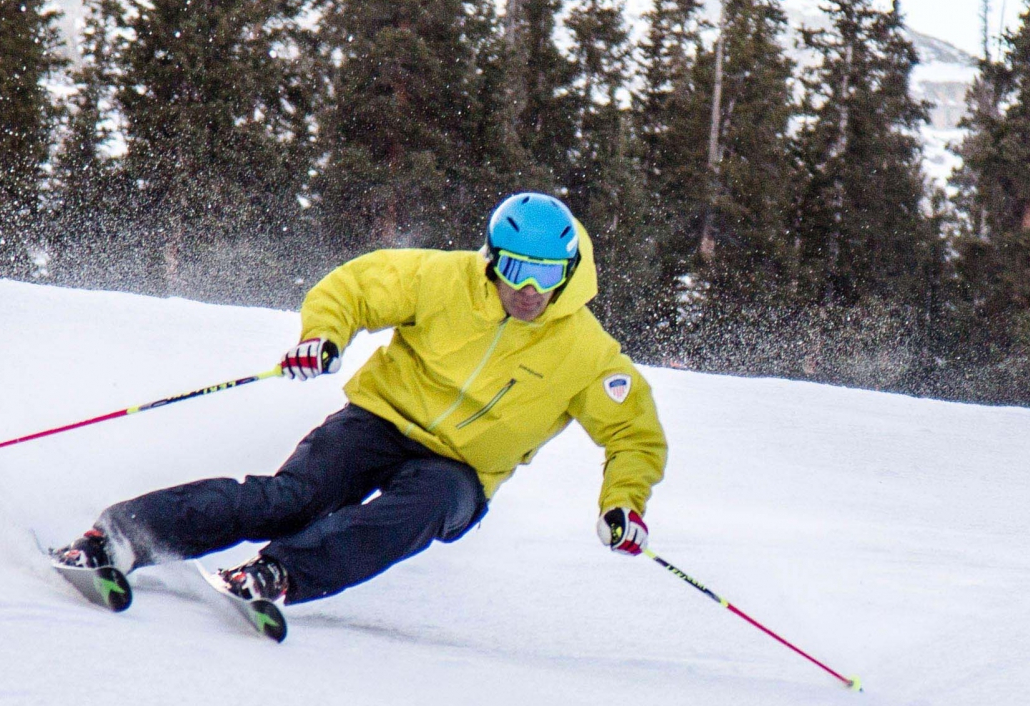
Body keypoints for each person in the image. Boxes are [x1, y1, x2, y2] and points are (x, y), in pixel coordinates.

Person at [55, 191, 668, 614]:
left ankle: (278, 575)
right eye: (515, 269)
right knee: (293, 499)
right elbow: (354, 287)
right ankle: (118, 537)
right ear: (491, 259)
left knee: (405, 516)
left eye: (545, 275)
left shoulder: (589, 353)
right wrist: (323, 337)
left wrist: (624, 505)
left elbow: (633, 436)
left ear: (568, 271)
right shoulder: (441, 279)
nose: (528, 290)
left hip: (461, 470)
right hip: (379, 419)